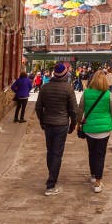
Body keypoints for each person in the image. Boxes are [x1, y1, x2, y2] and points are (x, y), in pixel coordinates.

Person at [34, 63, 77, 196]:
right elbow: (73, 110)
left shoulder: (45, 88)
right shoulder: (68, 89)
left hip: (48, 123)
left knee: (50, 151)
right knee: (57, 153)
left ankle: (52, 174)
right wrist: (73, 124)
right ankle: (51, 184)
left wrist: (42, 121)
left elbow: (38, 107)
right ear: (65, 75)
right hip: (61, 124)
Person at [77, 70, 112, 193]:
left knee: (92, 152)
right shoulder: (108, 94)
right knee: (100, 154)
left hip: (89, 128)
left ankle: (93, 175)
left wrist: (79, 122)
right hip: (104, 129)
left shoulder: (86, 93)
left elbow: (80, 109)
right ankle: (98, 182)